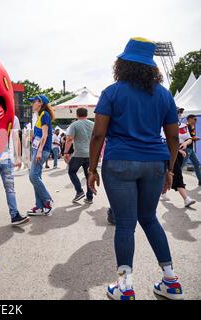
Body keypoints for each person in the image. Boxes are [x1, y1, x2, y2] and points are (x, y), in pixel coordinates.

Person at [88, 38, 184, 300]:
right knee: (150, 218)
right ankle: (171, 281)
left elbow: (98, 135)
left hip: (119, 162)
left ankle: (125, 286)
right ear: (151, 66)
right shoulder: (164, 95)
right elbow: (174, 138)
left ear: (123, 64)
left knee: (125, 224)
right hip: (155, 162)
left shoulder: (112, 92)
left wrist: (91, 169)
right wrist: (170, 169)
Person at [0, 115, 29, 226]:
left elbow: (16, 138)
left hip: (7, 158)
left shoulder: (13, 117)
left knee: (10, 188)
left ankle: (14, 215)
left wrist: (18, 157)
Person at [26, 95, 55, 216]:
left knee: (33, 176)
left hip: (41, 150)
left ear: (40, 103)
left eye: (34, 102)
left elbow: (45, 135)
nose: (32, 104)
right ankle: (39, 206)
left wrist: (39, 150)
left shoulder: (44, 115)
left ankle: (48, 201)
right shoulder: (40, 115)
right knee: (36, 176)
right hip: (38, 149)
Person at [64, 107, 94, 204]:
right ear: (87, 114)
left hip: (79, 153)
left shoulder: (74, 124)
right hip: (90, 154)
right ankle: (89, 198)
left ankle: (79, 191)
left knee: (71, 171)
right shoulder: (93, 124)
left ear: (77, 115)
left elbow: (69, 139)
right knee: (88, 175)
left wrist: (65, 153)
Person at [169, 110, 196, 207]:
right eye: (177, 112)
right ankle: (186, 199)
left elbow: (189, 138)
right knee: (178, 173)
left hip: (181, 152)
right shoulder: (165, 124)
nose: (179, 114)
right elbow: (166, 140)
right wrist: (178, 150)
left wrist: (185, 143)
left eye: (180, 113)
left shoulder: (183, 125)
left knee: (171, 174)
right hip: (171, 151)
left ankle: (162, 191)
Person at [182, 114, 201, 186]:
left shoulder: (191, 127)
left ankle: (200, 180)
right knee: (181, 165)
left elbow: (192, 136)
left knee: (196, 163)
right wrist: (195, 138)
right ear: (190, 119)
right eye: (195, 119)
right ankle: (178, 181)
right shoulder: (186, 127)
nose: (196, 121)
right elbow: (186, 138)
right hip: (187, 149)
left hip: (190, 149)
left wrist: (194, 138)